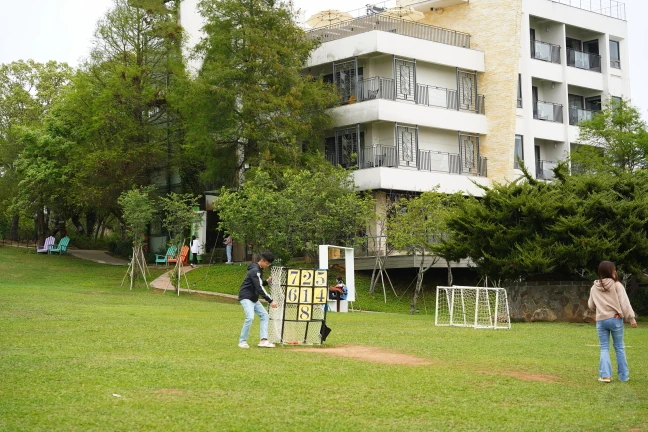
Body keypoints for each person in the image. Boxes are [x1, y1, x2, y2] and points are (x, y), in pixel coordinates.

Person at [587, 261, 637, 383]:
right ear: (611, 271)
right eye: (614, 270)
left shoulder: (594, 287)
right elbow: (624, 303)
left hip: (601, 320)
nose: (615, 272)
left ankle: (605, 376)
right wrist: (631, 318)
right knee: (619, 347)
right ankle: (624, 377)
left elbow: (590, 305)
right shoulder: (617, 285)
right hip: (615, 319)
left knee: (604, 348)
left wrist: (600, 309)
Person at [238, 252, 278, 348]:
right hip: (246, 297)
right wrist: (270, 300)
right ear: (262, 260)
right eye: (267, 264)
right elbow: (259, 288)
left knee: (264, 315)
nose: (267, 266)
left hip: (253, 298)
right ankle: (242, 341)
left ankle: (263, 340)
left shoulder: (259, 269)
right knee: (250, 317)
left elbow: (258, 283)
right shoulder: (255, 270)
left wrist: (266, 281)